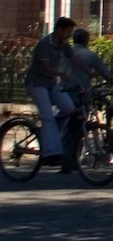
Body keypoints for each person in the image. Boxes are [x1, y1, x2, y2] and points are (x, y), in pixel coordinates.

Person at [23, 18, 78, 170]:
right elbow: (45, 66)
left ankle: (51, 136)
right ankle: (51, 153)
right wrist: (60, 73)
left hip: (51, 83)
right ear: (59, 30)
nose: (69, 35)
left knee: (69, 107)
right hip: (37, 84)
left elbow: (75, 59)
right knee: (47, 117)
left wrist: (92, 72)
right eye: (68, 31)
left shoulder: (63, 45)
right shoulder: (44, 44)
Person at [61, 23, 113, 160]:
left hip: (63, 93)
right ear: (86, 40)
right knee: (78, 125)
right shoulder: (90, 55)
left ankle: (66, 157)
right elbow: (105, 73)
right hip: (80, 94)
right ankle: (71, 158)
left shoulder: (66, 54)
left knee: (66, 125)